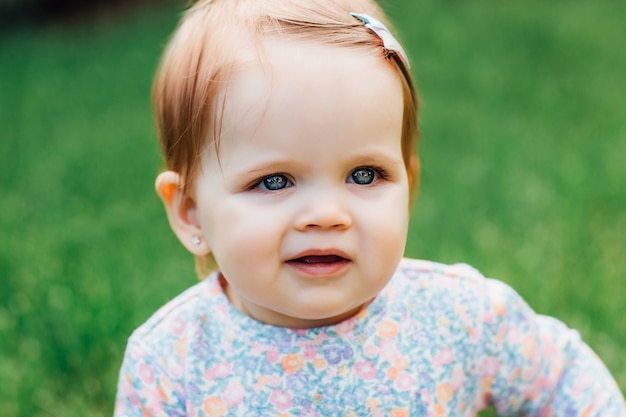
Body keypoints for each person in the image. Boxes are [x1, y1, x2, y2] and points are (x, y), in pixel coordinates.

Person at [113, 0, 626, 415]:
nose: (326, 214)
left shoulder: (455, 317)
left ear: (409, 185)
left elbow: (560, 375)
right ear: (191, 213)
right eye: (274, 181)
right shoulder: (171, 363)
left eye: (365, 175)